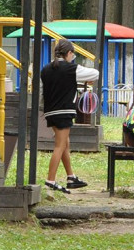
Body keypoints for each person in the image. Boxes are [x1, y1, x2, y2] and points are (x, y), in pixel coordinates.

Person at [41, 39, 99, 193]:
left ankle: (71, 177)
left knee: (64, 143)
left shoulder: (46, 69)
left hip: (50, 111)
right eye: (72, 54)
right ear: (69, 53)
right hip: (64, 111)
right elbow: (95, 73)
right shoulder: (70, 68)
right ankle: (50, 181)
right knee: (59, 146)